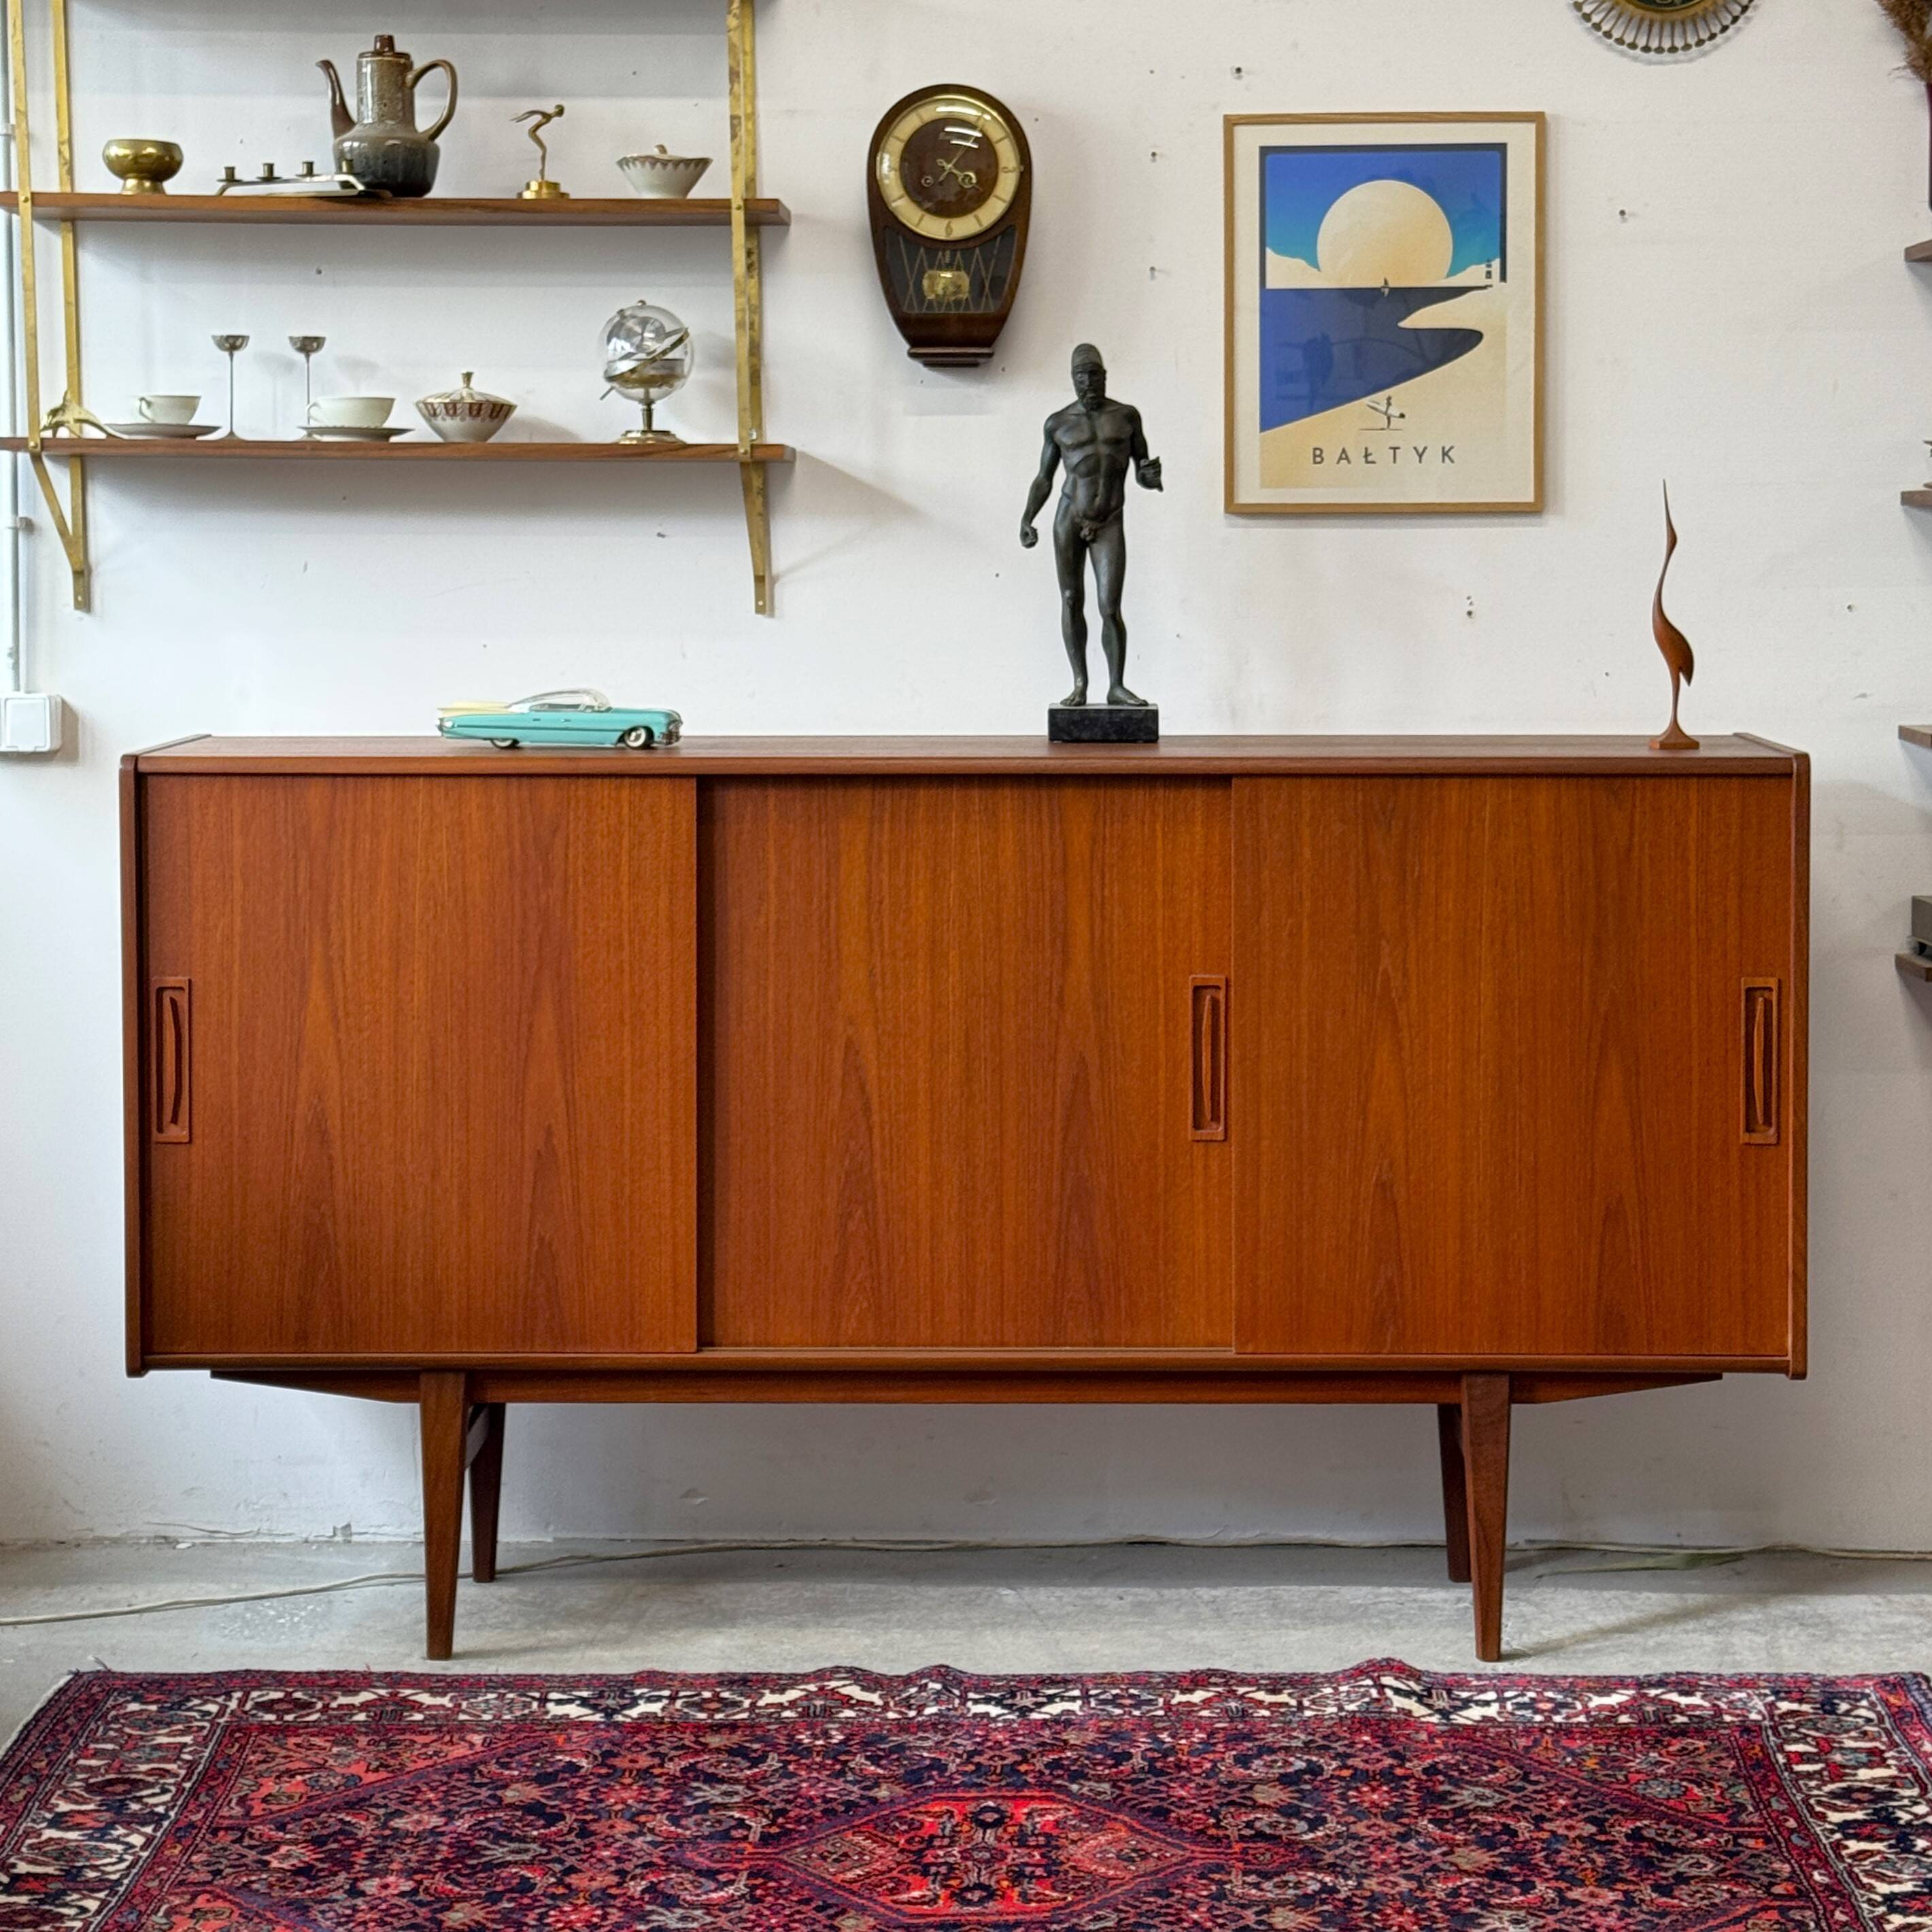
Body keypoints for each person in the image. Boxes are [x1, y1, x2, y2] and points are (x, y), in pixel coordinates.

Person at [1020, 343, 1162, 707]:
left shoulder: (1127, 417)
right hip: (1069, 517)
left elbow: (1142, 468)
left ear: (1105, 376)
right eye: (1081, 377)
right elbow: (1044, 478)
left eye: (1094, 376)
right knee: (1071, 599)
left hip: (1110, 518)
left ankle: (1116, 686)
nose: (1088, 384)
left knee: (1109, 606)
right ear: (1072, 380)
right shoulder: (1058, 423)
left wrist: (1150, 477)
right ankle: (1080, 683)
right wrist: (1028, 517)